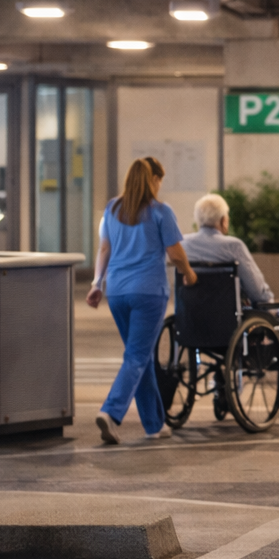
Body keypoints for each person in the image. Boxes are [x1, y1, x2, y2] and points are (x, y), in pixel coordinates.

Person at [87, 157, 198, 445]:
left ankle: (154, 424)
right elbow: (175, 253)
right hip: (148, 292)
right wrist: (189, 273)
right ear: (154, 180)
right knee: (136, 356)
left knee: (141, 356)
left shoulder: (112, 209)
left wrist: (96, 283)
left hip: (117, 292)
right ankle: (111, 412)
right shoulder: (161, 211)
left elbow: (103, 249)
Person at [180, 193, 274, 304]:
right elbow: (256, 291)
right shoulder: (234, 246)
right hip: (226, 316)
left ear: (198, 220)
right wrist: (268, 297)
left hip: (189, 315)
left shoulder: (182, 244)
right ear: (223, 220)